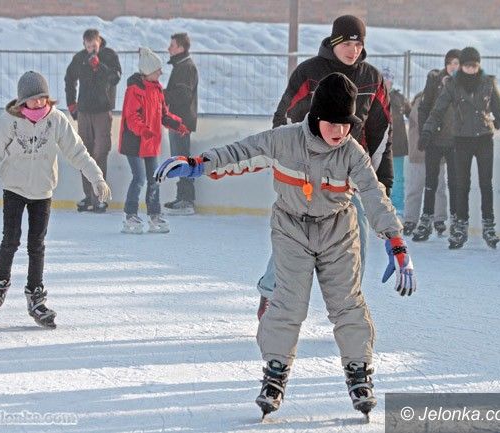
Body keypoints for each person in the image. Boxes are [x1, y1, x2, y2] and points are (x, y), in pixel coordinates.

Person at [155, 73, 416, 420]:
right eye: (333, 122)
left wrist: (395, 240)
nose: (340, 131)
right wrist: (198, 164)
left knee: (347, 303)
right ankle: (275, 372)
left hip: (338, 232)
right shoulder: (285, 140)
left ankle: (359, 373)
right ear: (317, 116)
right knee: (287, 304)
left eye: (346, 124)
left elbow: (372, 193)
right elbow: (241, 152)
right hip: (291, 228)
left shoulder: (352, 152)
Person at [259, 14, 393, 318]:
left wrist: (382, 182)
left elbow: (381, 133)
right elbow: (284, 118)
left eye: (359, 44)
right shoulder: (309, 72)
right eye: (347, 43)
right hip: (309, 169)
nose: (353, 50)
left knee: (356, 237)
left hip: (350, 172)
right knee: (295, 234)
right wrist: (291, 162)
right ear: (334, 42)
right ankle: (272, 293)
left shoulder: (372, 78)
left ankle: (349, 306)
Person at [0, 71, 111, 328]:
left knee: (37, 245)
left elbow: (77, 151)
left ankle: (35, 296)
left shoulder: (57, 120)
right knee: (10, 240)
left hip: (42, 192)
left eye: (43, 97)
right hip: (14, 189)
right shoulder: (10, 121)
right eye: (33, 98)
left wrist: (97, 178)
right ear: (22, 100)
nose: (39, 102)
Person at [419, 47, 500, 249]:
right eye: (468, 66)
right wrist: (426, 131)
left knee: (486, 184)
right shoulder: (452, 84)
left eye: (474, 66)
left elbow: (498, 108)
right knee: (462, 184)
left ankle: (488, 225)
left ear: (479, 66)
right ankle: (460, 226)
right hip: (461, 140)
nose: (471, 69)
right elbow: (437, 110)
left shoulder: (488, 82)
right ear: (462, 66)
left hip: (484, 138)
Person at [118, 47, 190, 234]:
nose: (161, 72)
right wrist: (143, 130)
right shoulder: (134, 90)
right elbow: (132, 117)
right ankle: (130, 215)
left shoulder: (157, 90)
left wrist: (178, 124)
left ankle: (154, 215)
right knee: (139, 178)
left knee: (154, 179)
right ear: (148, 71)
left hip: (150, 142)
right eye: (158, 70)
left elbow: (164, 115)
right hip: (134, 141)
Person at [65, 28, 121, 213]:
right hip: (84, 112)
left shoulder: (109, 55)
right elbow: (69, 79)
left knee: (100, 152)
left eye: (94, 46)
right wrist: (71, 104)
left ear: (99, 42)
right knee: (85, 154)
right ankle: (89, 196)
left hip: (102, 112)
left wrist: (99, 66)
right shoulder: (80, 58)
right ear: (84, 44)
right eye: (88, 46)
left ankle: (99, 196)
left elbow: (115, 78)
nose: (91, 49)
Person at [413, 49, 461, 241]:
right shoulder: (435, 80)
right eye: (450, 63)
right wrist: (425, 132)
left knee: (455, 183)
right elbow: (424, 108)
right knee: (431, 182)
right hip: (435, 140)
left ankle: (457, 220)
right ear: (445, 64)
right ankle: (426, 218)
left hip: (456, 141)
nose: (453, 67)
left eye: (457, 63)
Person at [402, 91, 448, 236]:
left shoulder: (443, 101)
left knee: (438, 189)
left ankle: (439, 219)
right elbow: (419, 120)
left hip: (437, 153)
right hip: (419, 154)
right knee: (415, 188)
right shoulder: (420, 102)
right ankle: (411, 219)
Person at [163, 32, 199, 215]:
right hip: (176, 120)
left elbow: (183, 95)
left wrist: (164, 94)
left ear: (181, 48)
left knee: (182, 158)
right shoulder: (180, 66)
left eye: (172, 45)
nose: (169, 48)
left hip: (181, 122)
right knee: (178, 158)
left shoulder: (186, 67)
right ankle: (182, 197)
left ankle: (187, 201)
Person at [382, 66, 411, 214]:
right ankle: (381, 205)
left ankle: (398, 205)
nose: (386, 81)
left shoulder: (399, 97)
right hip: (380, 145)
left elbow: (412, 114)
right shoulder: (375, 96)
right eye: (384, 78)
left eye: (388, 79)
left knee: (398, 177)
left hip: (398, 145)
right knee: (380, 177)